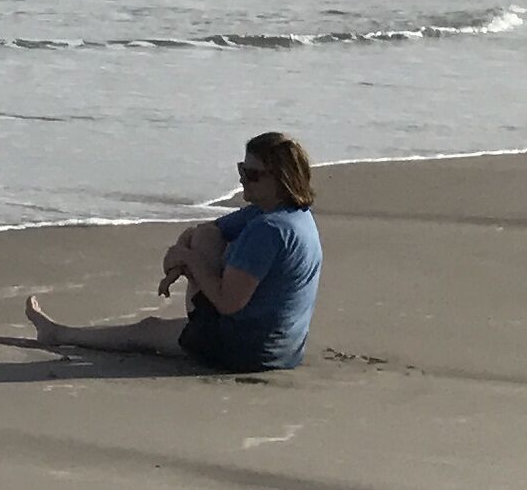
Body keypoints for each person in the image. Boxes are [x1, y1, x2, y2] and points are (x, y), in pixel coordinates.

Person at [27, 131, 323, 371]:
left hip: (247, 352)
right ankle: (63, 332)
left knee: (145, 332)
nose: (242, 179)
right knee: (206, 234)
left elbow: (228, 303)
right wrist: (181, 258)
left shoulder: (268, 230)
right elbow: (202, 230)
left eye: (252, 174)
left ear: (280, 179)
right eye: (241, 170)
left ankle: (59, 334)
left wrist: (186, 260)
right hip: (282, 347)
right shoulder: (287, 214)